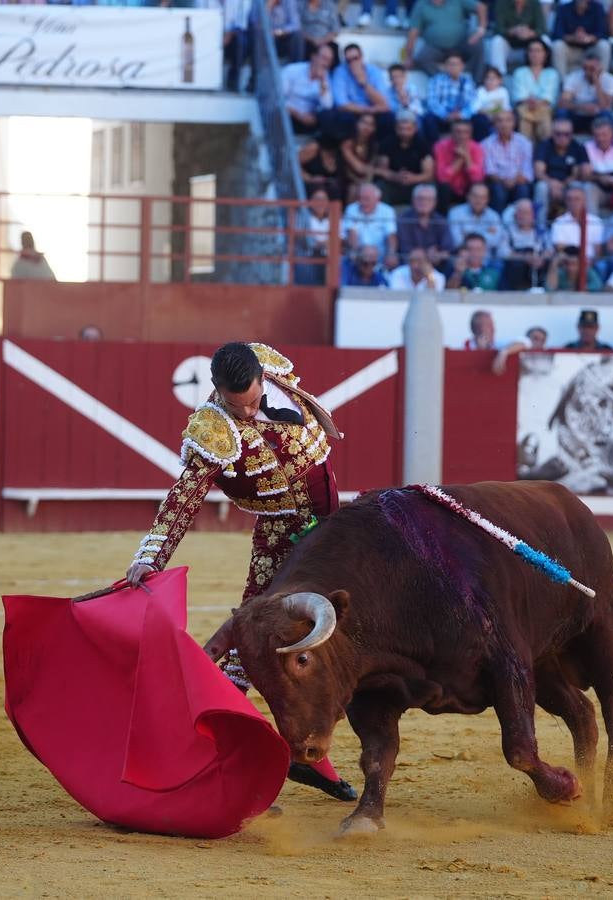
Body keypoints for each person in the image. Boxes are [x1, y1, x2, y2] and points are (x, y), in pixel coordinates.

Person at [125, 342, 357, 802]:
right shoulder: (214, 430)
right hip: (284, 537)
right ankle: (203, 744)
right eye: (238, 407)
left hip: (332, 530)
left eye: (253, 401)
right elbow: (182, 500)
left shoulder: (268, 366)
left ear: (262, 378)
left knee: (345, 628)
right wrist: (151, 557)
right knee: (246, 645)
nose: (249, 413)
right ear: (217, 391)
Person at [403, 0, 488, 79]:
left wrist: (481, 30)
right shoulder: (421, 4)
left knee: (478, 46)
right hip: (435, 47)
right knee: (422, 58)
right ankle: (445, 81)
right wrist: (408, 57)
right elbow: (413, 32)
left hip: (460, 44)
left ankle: (477, 83)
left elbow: (481, 7)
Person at [532, 117, 592, 222]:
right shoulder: (544, 145)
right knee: (541, 187)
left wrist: (562, 185)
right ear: (552, 134)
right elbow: (539, 172)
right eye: (558, 134)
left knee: (580, 187)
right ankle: (540, 225)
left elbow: (575, 174)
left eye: (566, 134)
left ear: (572, 134)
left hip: (567, 185)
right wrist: (552, 183)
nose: (562, 137)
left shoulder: (577, 147)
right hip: (549, 184)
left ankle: (583, 224)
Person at [374, 111, 435, 206]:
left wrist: (413, 178)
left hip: (416, 184)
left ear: (415, 128)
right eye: (401, 129)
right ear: (395, 128)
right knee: (379, 187)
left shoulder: (423, 145)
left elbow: (428, 174)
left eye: (408, 129)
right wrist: (395, 176)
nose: (404, 132)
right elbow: (382, 170)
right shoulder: (386, 143)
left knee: (431, 187)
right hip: (393, 183)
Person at [331, 46, 393, 137]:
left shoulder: (374, 71)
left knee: (388, 118)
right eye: (349, 61)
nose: (352, 63)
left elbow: (384, 104)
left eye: (355, 58)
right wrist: (367, 111)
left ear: (362, 57)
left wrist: (364, 83)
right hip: (354, 111)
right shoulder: (340, 72)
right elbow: (341, 104)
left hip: (373, 111)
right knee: (344, 118)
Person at [423, 51, 483, 144]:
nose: (454, 67)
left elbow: (474, 102)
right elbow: (432, 102)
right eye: (450, 64)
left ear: (462, 66)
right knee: (428, 119)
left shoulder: (468, 80)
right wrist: (446, 115)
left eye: (457, 64)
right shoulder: (435, 80)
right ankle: (434, 149)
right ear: (445, 66)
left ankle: (476, 149)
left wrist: (462, 114)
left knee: (481, 120)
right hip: (443, 117)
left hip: (462, 116)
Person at [480, 107, 532, 212]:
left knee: (523, 189)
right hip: (497, 181)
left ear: (514, 123)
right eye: (499, 121)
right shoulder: (486, 144)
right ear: (494, 124)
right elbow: (490, 171)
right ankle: (498, 220)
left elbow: (527, 169)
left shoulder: (524, 142)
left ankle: (521, 220)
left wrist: (514, 180)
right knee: (498, 190)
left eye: (508, 120)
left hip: (518, 181)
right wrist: (503, 181)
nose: (504, 124)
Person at [397, 183, 455, 270]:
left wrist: (438, 255)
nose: (424, 202)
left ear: (434, 202)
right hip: (410, 265)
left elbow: (448, 249)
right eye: (420, 198)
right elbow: (405, 250)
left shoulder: (441, 221)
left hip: (436, 265)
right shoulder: (404, 220)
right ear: (413, 200)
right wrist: (427, 254)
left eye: (428, 199)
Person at [510, 38, 559, 141]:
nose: (534, 54)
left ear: (545, 54)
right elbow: (519, 95)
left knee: (542, 117)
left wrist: (536, 102)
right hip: (524, 107)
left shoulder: (552, 73)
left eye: (538, 51)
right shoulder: (520, 72)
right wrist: (530, 102)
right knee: (524, 118)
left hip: (544, 108)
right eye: (531, 51)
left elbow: (549, 97)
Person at [281, 43, 335, 136]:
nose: (326, 63)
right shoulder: (292, 70)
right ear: (313, 57)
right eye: (324, 58)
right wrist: (299, 115)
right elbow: (279, 98)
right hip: (289, 114)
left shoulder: (326, 79)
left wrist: (322, 81)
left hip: (309, 120)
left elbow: (327, 106)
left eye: (329, 60)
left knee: (329, 117)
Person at [559, 49, 613, 134]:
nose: (587, 71)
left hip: (597, 118)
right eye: (585, 68)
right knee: (562, 113)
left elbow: (605, 106)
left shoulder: (610, 79)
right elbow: (563, 103)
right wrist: (582, 107)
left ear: (600, 67)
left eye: (591, 68)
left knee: (606, 114)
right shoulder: (573, 77)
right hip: (578, 115)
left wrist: (596, 80)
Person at [432, 117, 485, 207]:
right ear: (451, 133)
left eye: (466, 132)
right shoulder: (440, 147)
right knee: (443, 187)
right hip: (449, 189)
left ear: (471, 134)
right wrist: (458, 161)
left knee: (477, 187)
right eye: (458, 132)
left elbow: (477, 179)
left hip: (467, 189)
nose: (462, 136)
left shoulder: (476, 148)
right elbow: (442, 178)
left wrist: (467, 158)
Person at [341, 181, 398, 262]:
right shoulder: (351, 209)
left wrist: (391, 254)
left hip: (380, 255)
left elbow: (391, 235)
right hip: (358, 253)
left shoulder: (387, 211)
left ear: (377, 199)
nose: (362, 202)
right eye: (360, 198)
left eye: (366, 199)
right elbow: (351, 233)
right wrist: (357, 252)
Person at [551, 0, 611, 76]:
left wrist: (589, 38)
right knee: (557, 45)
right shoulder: (563, 9)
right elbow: (557, 34)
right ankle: (562, 81)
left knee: (604, 45)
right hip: (571, 49)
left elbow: (603, 32)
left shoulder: (597, 8)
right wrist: (574, 38)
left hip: (591, 48)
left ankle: (603, 79)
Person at [500, 197, 550, 288]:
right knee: (516, 264)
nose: (523, 216)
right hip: (516, 273)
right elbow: (504, 253)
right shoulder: (507, 231)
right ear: (515, 215)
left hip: (538, 267)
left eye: (527, 213)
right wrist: (524, 258)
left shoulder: (541, 231)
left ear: (533, 215)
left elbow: (550, 250)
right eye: (520, 212)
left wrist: (541, 258)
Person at [447, 182, 504, 256]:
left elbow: (495, 241)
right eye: (475, 196)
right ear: (468, 196)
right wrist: (486, 233)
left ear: (488, 199)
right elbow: (456, 241)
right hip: (463, 256)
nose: (478, 200)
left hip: (486, 258)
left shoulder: (494, 215)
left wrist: (467, 235)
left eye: (483, 197)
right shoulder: (455, 213)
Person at [488, 0, 545, 75]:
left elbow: (542, 29)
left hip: (529, 47)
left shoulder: (535, 3)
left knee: (545, 40)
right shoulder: (502, 3)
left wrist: (530, 33)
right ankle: (498, 76)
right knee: (497, 41)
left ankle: (544, 75)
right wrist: (513, 31)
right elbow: (498, 29)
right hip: (509, 46)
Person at [550, 183, 604, 261]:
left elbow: (598, 250)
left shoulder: (596, 222)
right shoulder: (559, 222)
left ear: (584, 201)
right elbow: (560, 247)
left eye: (577, 199)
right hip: (569, 262)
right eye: (569, 199)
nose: (573, 203)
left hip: (592, 262)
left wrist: (590, 262)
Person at [341, 112, 380, 195]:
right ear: (357, 124)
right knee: (354, 189)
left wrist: (366, 182)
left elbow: (370, 168)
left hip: (365, 180)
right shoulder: (347, 143)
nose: (367, 127)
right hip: (346, 179)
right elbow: (359, 169)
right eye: (364, 122)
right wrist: (383, 172)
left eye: (371, 124)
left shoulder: (374, 145)